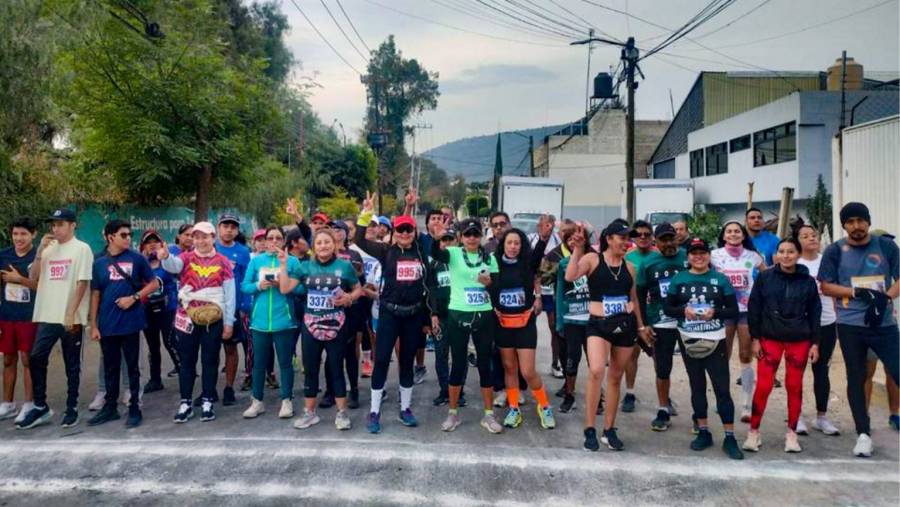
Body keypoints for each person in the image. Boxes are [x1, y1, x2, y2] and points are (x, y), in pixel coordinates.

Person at [819, 202, 899, 457]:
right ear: (844, 225)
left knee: (897, 370)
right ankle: (863, 433)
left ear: (868, 221)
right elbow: (826, 286)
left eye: (860, 221)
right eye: (850, 221)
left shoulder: (885, 245)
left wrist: (886, 297)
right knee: (857, 376)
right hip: (850, 325)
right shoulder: (835, 250)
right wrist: (855, 292)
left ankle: (893, 412)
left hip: (884, 323)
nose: (856, 226)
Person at [566, 221, 651, 452]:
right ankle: (590, 428)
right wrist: (577, 249)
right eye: (622, 238)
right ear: (609, 238)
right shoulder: (593, 260)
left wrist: (642, 328)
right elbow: (570, 276)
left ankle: (609, 429)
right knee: (595, 371)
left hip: (625, 326)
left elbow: (633, 299)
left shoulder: (630, 267)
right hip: (598, 324)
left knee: (615, 377)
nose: (626, 242)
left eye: (628, 239)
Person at [354, 192, 431, 433]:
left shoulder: (420, 252)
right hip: (389, 314)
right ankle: (374, 411)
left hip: (413, 315)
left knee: (407, 362)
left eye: (409, 230)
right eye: (400, 231)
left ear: (414, 232)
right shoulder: (386, 251)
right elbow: (359, 238)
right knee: (382, 361)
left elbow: (428, 288)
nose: (405, 233)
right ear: (394, 234)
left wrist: (428, 318)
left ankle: (405, 409)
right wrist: (366, 213)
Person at [664, 237, 744, 460]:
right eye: (693, 252)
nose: (698, 256)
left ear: (709, 255)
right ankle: (704, 431)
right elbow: (668, 307)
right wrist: (683, 311)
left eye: (702, 252)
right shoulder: (679, 279)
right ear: (687, 256)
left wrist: (714, 313)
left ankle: (729, 436)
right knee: (697, 387)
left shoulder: (720, 279)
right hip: (689, 338)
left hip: (715, 339)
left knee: (722, 389)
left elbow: (733, 310)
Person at [17, 208, 93, 430]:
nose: (56, 229)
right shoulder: (48, 250)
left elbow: (82, 282)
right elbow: (33, 277)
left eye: (60, 224)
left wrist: (71, 313)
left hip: (71, 318)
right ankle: (40, 405)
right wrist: (40, 251)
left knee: (72, 364)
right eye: (53, 224)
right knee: (36, 357)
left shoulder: (82, 249)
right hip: (48, 315)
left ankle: (72, 408)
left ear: (72, 225)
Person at [279, 228, 362, 431]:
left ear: (334, 244)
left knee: (336, 368)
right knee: (311, 369)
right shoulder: (305, 267)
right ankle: (310, 413)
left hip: (337, 325)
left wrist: (350, 298)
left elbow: (358, 288)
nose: (323, 246)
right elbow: (284, 288)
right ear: (314, 247)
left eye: (327, 242)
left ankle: (342, 414)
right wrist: (283, 265)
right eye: (319, 243)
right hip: (311, 325)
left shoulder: (345, 266)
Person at [743, 238, 821, 453]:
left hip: (799, 339)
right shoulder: (766, 277)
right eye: (782, 251)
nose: (786, 256)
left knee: (794, 386)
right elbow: (754, 308)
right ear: (776, 254)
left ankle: (792, 434)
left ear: (798, 254)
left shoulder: (807, 281)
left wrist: (815, 343)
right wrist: (755, 339)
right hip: (770, 338)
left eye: (791, 252)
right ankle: (754, 432)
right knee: (764, 386)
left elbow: (815, 313)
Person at [158, 221, 236, 424]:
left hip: (214, 318)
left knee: (210, 359)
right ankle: (185, 402)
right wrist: (165, 256)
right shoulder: (185, 258)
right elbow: (172, 265)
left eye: (205, 236)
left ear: (213, 238)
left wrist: (229, 323)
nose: (201, 241)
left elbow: (230, 295)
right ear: (192, 239)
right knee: (187, 360)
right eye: (197, 236)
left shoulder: (223, 262)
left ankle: (208, 400)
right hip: (187, 316)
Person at [430, 217, 502, 433]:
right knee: (458, 364)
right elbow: (436, 253)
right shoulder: (452, 253)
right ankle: (453, 414)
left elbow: (497, 287)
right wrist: (437, 237)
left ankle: (488, 415)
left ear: (481, 236)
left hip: (483, 315)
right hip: (457, 314)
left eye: (476, 234)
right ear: (461, 237)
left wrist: (489, 285)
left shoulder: (489, 258)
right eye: (468, 234)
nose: (472, 238)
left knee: (484, 363)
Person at [87, 220, 158, 428]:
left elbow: (153, 283)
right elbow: (95, 294)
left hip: (131, 322)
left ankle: (134, 407)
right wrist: (94, 324)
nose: (128, 238)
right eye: (123, 235)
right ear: (110, 237)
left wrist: (134, 298)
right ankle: (110, 408)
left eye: (129, 235)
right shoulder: (99, 262)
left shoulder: (137, 258)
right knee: (110, 367)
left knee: (133, 367)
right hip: (107, 323)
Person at [491, 227, 556, 430]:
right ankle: (513, 409)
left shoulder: (527, 264)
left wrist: (544, 237)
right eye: (509, 243)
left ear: (522, 246)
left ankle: (544, 406)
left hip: (525, 323)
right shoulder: (495, 263)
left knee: (527, 371)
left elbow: (538, 253)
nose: (513, 247)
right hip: (503, 324)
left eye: (517, 243)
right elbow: (489, 288)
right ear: (503, 245)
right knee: (509, 368)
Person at [241, 226, 299, 420]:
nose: (274, 241)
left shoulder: (292, 261)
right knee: (259, 363)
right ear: (264, 241)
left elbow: (301, 289)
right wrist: (259, 285)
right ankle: (257, 401)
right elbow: (244, 286)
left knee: (285, 363)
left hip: (284, 320)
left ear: (284, 241)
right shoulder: (256, 261)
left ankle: (286, 400)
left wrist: (284, 283)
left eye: (278, 238)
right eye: (270, 238)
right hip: (259, 321)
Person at [711, 221, 766, 422]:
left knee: (745, 354)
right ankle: (722, 399)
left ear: (743, 235)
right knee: (721, 355)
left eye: (737, 231)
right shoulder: (714, 256)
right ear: (724, 235)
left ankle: (746, 404)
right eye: (729, 231)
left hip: (746, 311)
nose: (733, 234)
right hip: (723, 310)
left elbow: (766, 277)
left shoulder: (754, 256)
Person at [636, 223, 688, 431]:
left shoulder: (688, 257)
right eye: (663, 239)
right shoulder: (648, 263)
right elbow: (639, 295)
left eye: (671, 238)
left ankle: (698, 413)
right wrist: (643, 325)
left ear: (677, 238)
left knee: (694, 368)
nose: (668, 243)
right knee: (663, 368)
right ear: (655, 242)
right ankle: (663, 409)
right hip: (661, 321)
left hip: (689, 322)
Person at [795, 224, 841, 436]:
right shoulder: (795, 262)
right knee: (797, 371)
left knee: (821, 370)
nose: (811, 238)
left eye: (814, 235)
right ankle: (797, 416)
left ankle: (821, 417)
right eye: (805, 236)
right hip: (801, 324)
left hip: (827, 323)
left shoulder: (829, 262)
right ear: (798, 241)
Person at [553, 221, 597, 414]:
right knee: (572, 358)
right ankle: (570, 394)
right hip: (572, 319)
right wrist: (560, 321)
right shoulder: (564, 264)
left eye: (578, 237)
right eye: (569, 238)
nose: (574, 241)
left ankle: (597, 396)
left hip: (593, 320)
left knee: (594, 361)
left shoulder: (596, 260)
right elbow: (560, 293)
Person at [321, 220, 365, 410]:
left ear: (347, 234)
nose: (336, 233)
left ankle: (353, 391)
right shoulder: (323, 255)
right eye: (332, 229)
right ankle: (330, 391)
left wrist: (349, 296)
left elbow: (359, 282)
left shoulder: (354, 255)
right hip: (327, 310)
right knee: (330, 353)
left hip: (351, 309)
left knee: (349, 352)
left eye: (339, 229)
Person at [0, 217, 38, 423]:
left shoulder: (39, 257)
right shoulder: (3, 255)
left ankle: (29, 404)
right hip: (7, 316)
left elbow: (44, 287)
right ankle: (7, 404)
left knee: (27, 360)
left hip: (29, 317)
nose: (18, 238)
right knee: (8, 359)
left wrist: (20, 280)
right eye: (15, 234)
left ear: (33, 234)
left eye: (23, 234)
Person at [428, 227, 468, 407]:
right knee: (440, 355)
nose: (446, 243)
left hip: (460, 316)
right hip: (442, 318)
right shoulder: (434, 264)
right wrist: (433, 314)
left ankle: (458, 391)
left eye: (449, 239)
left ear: (456, 241)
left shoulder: (462, 262)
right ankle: (444, 390)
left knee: (460, 355)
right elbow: (431, 291)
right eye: (443, 240)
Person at [215, 214, 252, 405]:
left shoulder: (243, 252)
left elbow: (246, 279)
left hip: (234, 308)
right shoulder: (211, 248)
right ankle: (208, 388)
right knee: (210, 351)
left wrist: (245, 305)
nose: (229, 230)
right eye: (225, 226)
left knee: (231, 348)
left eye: (233, 227)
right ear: (218, 228)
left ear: (237, 230)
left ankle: (228, 387)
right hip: (211, 308)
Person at [139, 230, 181, 391]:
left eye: (155, 242)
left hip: (168, 308)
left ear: (161, 244)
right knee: (153, 345)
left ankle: (184, 371)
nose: (152, 245)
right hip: (147, 309)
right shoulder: (141, 263)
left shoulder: (167, 261)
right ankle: (155, 379)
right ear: (143, 246)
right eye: (148, 242)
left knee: (170, 341)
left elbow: (178, 273)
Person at [622, 219, 656, 413]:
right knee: (632, 354)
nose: (642, 238)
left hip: (655, 313)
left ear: (652, 237)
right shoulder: (627, 257)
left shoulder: (659, 256)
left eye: (646, 234)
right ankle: (630, 393)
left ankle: (664, 395)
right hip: (634, 311)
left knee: (659, 355)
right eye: (638, 235)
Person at [529, 215, 565, 381]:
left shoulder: (558, 240)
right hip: (534, 289)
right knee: (529, 327)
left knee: (554, 327)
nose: (547, 228)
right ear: (539, 225)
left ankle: (555, 362)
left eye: (550, 225)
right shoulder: (530, 239)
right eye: (544, 225)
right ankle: (527, 366)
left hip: (551, 290)